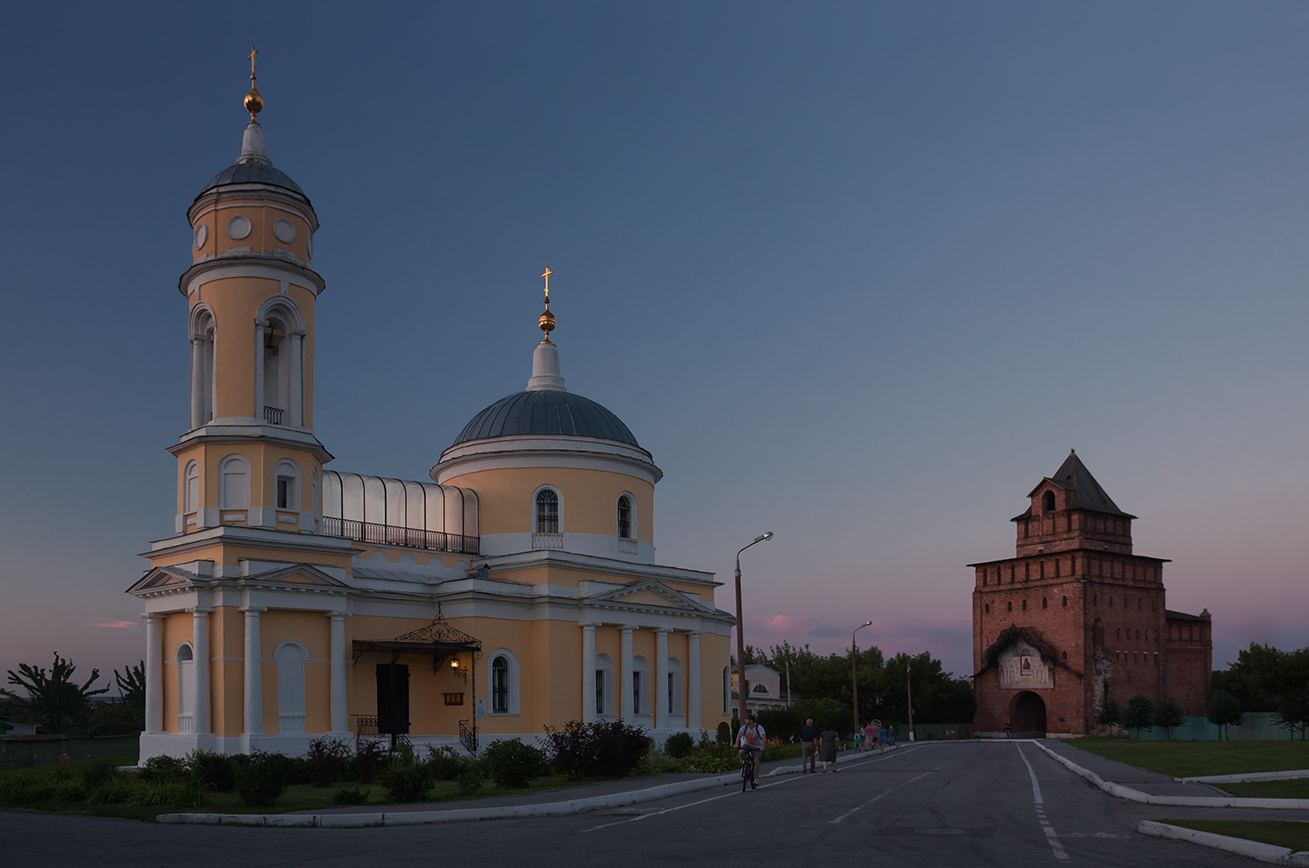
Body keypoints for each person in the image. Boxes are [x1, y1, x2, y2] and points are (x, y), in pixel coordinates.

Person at [736, 712, 766, 786]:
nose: (745, 720)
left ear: (751, 721)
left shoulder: (759, 727)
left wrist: (762, 746)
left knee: (756, 760)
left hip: (757, 746)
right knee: (741, 752)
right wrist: (736, 744)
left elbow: (764, 737)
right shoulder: (744, 727)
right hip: (747, 745)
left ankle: (756, 778)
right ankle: (744, 764)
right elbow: (739, 735)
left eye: (747, 719)